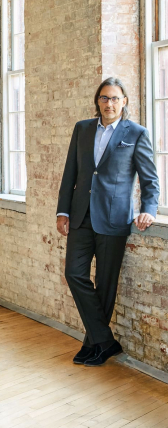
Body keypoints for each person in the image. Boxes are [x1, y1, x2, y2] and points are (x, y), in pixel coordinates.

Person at [57, 77, 159, 367]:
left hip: (114, 219)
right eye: (104, 98)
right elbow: (71, 174)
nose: (109, 103)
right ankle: (106, 341)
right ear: (97, 101)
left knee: (105, 284)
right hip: (80, 216)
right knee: (74, 274)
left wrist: (149, 208)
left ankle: (94, 345)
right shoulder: (82, 129)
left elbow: (150, 179)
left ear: (124, 102)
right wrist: (62, 211)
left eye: (115, 98)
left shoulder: (136, 133)